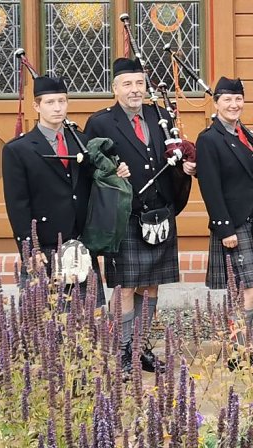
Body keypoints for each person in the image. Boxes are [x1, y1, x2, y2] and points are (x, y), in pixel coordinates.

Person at [84, 57, 196, 373]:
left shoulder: (160, 115)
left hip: (159, 213)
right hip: (126, 216)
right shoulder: (101, 122)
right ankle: (121, 352)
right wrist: (111, 170)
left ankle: (140, 348)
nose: (135, 90)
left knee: (151, 285)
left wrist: (185, 165)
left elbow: (173, 152)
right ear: (115, 88)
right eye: (128, 84)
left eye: (139, 83)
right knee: (124, 288)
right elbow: (91, 165)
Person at [2, 75, 128, 304]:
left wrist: (115, 171)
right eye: (50, 102)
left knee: (90, 322)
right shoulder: (18, 150)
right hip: (46, 245)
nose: (58, 108)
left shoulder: (82, 142)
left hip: (81, 244)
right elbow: (17, 204)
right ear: (36, 106)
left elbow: (95, 182)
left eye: (62, 101)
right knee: (43, 324)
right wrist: (29, 249)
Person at [196, 76, 253, 370]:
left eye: (238, 99)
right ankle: (239, 352)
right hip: (234, 223)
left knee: (249, 287)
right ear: (216, 103)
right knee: (247, 288)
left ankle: (242, 348)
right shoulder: (209, 139)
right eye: (228, 99)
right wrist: (224, 229)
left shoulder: (243, 132)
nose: (234, 104)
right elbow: (210, 186)